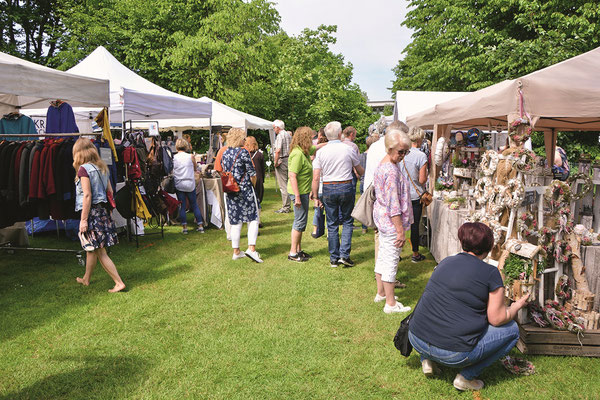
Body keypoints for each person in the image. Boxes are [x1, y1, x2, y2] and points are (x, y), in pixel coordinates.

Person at [409, 222, 529, 391]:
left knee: (437, 315)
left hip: (416, 338)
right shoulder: (490, 273)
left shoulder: (445, 261)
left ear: (462, 241)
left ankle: (427, 360)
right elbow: (497, 319)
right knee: (512, 330)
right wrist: (516, 306)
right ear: (489, 247)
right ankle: (466, 377)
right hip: (453, 353)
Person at [73, 138, 125, 293]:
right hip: (102, 212)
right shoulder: (101, 167)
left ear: (78, 153)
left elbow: (87, 196)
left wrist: (83, 220)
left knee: (100, 251)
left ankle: (118, 282)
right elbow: (110, 191)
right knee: (92, 248)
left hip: (92, 213)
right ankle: (86, 279)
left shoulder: (83, 169)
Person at [312, 121, 364, 268]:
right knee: (347, 221)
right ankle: (344, 255)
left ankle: (334, 257)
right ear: (340, 134)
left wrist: (316, 196)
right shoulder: (348, 149)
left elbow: (316, 177)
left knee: (332, 223)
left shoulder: (321, 152)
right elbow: (359, 170)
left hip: (328, 187)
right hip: (346, 186)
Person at [372, 129, 413, 313]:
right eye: (400, 152)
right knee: (390, 261)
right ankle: (390, 303)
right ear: (389, 148)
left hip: (382, 219)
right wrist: (400, 230)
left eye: (406, 152)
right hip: (390, 222)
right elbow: (393, 204)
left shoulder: (384, 164)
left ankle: (381, 293)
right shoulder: (391, 171)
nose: (403, 156)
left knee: (383, 257)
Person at [221, 128, 263, 263]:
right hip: (244, 190)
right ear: (240, 138)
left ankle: (236, 251)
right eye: (243, 138)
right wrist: (253, 186)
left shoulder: (225, 152)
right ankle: (251, 249)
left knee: (235, 221)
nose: (245, 140)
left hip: (231, 191)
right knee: (253, 219)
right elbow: (253, 173)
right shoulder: (243, 152)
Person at [287, 127, 317, 262]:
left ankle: (298, 250)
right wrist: (298, 197)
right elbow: (292, 176)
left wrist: (332, 142)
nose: (312, 140)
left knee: (302, 221)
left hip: (303, 191)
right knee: (299, 222)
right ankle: (293, 253)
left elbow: (317, 147)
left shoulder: (304, 151)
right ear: (305, 139)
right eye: (310, 138)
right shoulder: (298, 154)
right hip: (297, 193)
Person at [400, 127, 428, 263]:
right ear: (419, 139)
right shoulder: (421, 156)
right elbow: (422, 180)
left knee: (398, 224)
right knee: (414, 225)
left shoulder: (401, 153)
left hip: (400, 194)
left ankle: (396, 253)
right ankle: (415, 254)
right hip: (414, 195)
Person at [173, 138, 205, 234]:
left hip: (179, 183)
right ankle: (200, 225)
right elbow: (195, 168)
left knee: (182, 206)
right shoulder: (190, 156)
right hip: (190, 183)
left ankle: (185, 227)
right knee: (194, 204)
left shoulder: (174, 157)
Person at [359, 135, 379, 234]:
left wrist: (360, 177)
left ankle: (364, 227)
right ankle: (375, 226)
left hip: (363, 182)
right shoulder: (376, 155)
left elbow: (356, 169)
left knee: (365, 206)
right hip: (372, 182)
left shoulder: (361, 156)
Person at [311, 130, 328, 238]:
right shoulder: (331, 152)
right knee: (331, 211)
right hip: (329, 183)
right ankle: (328, 232)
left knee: (318, 208)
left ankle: (315, 229)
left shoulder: (317, 152)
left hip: (320, 186)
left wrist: (313, 192)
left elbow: (315, 177)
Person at [273, 120, 292, 213]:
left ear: (277, 127)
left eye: (274, 127)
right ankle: (289, 204)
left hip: (282, 160)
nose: (273, 129)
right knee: (289, 183)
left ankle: (285, 207)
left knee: (283, 185)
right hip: (288, 159)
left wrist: (275, 162)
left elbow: (278, 150)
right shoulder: (288, 134)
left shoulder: (280, 135)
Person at [244, 136, 265, 210]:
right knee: (258, 198)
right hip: (258, 178)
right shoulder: (259, 155)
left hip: (249, 178)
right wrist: (263, 179)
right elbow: (262, 169)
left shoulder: (244, 154)